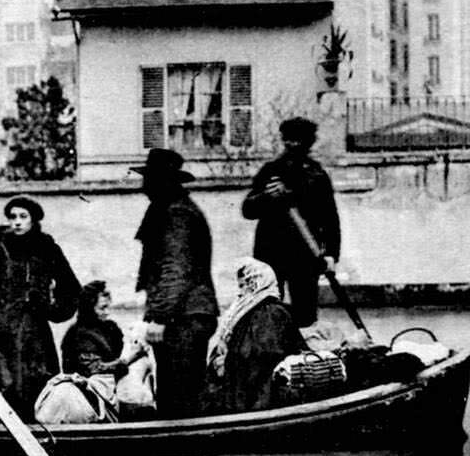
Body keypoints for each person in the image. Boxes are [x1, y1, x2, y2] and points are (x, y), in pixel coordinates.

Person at [132, 148, 218, 419]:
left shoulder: (176, 214)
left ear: (163, 181)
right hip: (184, 316)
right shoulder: (170, 209)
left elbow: (175, 270)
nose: (144, 186)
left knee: (180, 399)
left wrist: (159, 317)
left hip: (183, 318)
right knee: (176, 394)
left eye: (149, 179)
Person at [0, 195, 81, 418]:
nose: (17, 222)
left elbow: (71, 289)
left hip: (37, 337)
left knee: (40, 398)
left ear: (33, 220)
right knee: (0, 394)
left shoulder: (47, 250)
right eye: (13, 217)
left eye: (23, 217)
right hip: (4, 337)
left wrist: (51, 311)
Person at [241, 117, 341, 329]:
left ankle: (304, 358)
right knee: (266, 310)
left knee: (306, 314)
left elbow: (330, 218)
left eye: (298, 140)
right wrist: (267, 197)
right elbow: (248, 210)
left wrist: (332, 253)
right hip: (270, 252)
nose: (292, 145)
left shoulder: (317, 175)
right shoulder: (270, 171)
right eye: (288, 140)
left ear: (308, 143)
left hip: (305, 254)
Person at [203, 258, 307, 414]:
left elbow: (263, 356)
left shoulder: (270, 312)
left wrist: (228, 362)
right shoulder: (249, 311)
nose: (239, 292)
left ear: (256, 284)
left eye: (243, 286)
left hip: (263, 397)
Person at [61, 280, 145, 378]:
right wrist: (131, 357)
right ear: (88, 308)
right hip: (86, 387)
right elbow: (94, 369)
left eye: (108, 307)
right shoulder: (78, 334)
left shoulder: (109, 328)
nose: (107, 312)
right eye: (102, 308)